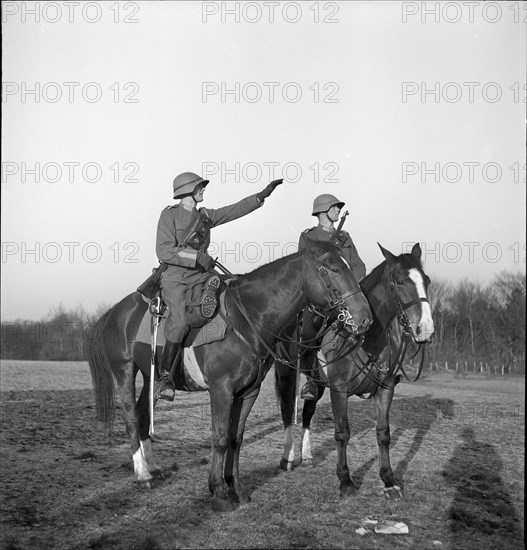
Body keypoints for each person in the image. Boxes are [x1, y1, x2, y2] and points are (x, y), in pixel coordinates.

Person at [155, 171, 283, 401]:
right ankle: (165, 376)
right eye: (199, 187)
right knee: (180, 319)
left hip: (202, 276)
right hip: (176, 278)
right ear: (186, 191)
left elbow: (232, 210)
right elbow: (163, 250)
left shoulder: (205, 216)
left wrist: (260, 197)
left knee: (233, 289)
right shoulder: (169, 215)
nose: (203, 189)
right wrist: (196, 257)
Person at [298, 194, 366, 399]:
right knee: (307, 333)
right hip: (319, 301)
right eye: (334, 207)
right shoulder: (308, 237)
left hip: (345, 298)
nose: (338, 210)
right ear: (322, 211)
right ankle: (311, 381)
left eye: (338, 208)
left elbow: (357, 265)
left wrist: (352, 288)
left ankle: (371, 373)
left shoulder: (344, 236)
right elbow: (304, 269)